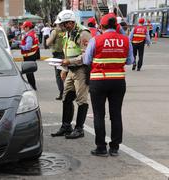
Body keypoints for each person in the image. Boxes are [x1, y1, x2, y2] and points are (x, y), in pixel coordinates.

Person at [83, 13, 134, 156]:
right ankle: (115, 147)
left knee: (99, 115)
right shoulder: (125, 40)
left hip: (99, 81)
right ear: (116, 26)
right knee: (116, 114)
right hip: (118, 81)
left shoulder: (95, 40)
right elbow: (130, 61)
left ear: (102, 26)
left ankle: (101, 147)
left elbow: (86, 61)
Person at [51, 10, 92, 139]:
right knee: (67, 97)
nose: (60, 27)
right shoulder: (68, 33)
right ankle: (66, 126)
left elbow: (87, 55)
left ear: (70, 22)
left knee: (81, 99)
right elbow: (67, 52)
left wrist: (70, 62)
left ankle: (79, 129)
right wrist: (64, 68)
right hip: (71, 69)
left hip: (81, 70)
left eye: (62, 24)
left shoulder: (83, 33)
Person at [14, 21, 39, 90]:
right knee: (30, 72)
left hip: (29, 55)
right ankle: (33, 86)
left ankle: (32, 87)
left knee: (29, 73)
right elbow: (25, 42)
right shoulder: (32, 34)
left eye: (24, 27)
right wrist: (17, 42)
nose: (23, 29)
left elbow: (27, 47)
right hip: (32, 54)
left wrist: (20, 46)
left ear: (28, 27)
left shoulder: (29, 36)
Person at [46, 21, 66, 100]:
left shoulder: (55, 31)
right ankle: (70, 92)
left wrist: (48, 39)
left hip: (57, 55)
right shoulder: (67, 30)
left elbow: (48, 43)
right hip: (67, 54)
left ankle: (61, 93)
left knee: (58, 75)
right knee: (67, 74)